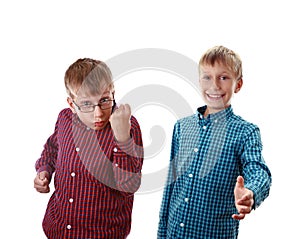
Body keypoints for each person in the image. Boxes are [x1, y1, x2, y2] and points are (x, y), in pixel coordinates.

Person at [157, 46, 272, 238]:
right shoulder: (181, 127)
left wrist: (250, 193)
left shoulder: (245, 132)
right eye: (207, 77)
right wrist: (162, 233)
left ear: (238, 84)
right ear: (199, 80)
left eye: (224, 77)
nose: (215, 85)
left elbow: (258, 170)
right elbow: (171, 187)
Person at [34, 58, 144, 239]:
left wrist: (122, 138)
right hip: (57, 228)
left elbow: (129, 187)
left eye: (104, 100)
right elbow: (52, 150)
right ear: (71, 104)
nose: (98, 113)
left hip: (102, 234)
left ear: (113, 93)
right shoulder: (64, 119)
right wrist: (44, 171)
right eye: (86, 104)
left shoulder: (128, 125)